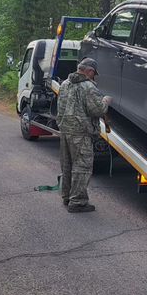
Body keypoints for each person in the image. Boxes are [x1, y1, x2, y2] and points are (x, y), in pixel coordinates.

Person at [56, 57, 111, 213]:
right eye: (94, 74)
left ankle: (67, 196)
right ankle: (78, 202)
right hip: (81, 133)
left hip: (65, 130)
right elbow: (98, 110)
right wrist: (105, 101)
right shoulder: (88, 87)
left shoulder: (65, 84)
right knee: (82, 167)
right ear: (90, 71)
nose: (94, 77)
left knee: (67, 166)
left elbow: (60, 108)